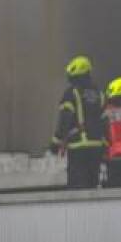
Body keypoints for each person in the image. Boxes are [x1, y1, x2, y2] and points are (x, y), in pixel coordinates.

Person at [52, 55, 106, 189]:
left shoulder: (71, 93)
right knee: (92, 185)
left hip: (78, 147)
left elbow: (65, 119)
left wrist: (56, 142)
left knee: (77, 188)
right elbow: (105, 121)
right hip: (96, 147)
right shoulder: (100, 93)